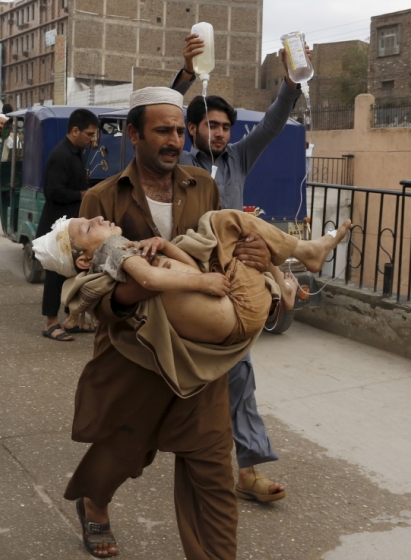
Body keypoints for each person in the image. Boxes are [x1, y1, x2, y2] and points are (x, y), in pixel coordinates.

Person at [62, 87, 273, 559]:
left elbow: (226, 254)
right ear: (134, 134)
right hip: (135, 357)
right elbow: (93, 296)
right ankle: (94, 503)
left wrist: (256, 255)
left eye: (180, 130)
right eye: (163, 130)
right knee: (124, 451)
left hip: (200, 363)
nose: (175, 139)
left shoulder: (204, 185)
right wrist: (144, 285)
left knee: (214, 475)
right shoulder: (100, 198)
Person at [169, 34, 305, 502]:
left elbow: (269, 126)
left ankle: (249, 470)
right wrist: (184, 78)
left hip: (231, 284)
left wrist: (290, 84)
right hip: (182, 278)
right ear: (189, 129)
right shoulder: (176, 161)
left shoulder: (237, 159)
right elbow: (159, 119)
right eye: (211, 124)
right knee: (170, 380)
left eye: (226, 126)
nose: (221, 133)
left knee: (239, 374)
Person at [35, 210, 349, 347]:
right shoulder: (114, 253)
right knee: (221, 221)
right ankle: (306, 256)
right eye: (87, 227)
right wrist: (204, 283)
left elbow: (188, 271)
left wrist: (166, 245)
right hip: (240, 309)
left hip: (238, 311)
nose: (97, 218)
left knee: (233, 231)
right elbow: (152, 281)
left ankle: (286, 285)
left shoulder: (118, 255)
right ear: (83, 259)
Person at [36, 108, 100, 342]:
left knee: (73, 275)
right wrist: (82, 195)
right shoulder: (61, 155)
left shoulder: (77, 152)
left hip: (70, 226)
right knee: (55, 276)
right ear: (75, 131)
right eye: (89, 134)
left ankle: (72, 319)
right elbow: (53, 192)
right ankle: (51, 323)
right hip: (57, 228)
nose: (92, 139)